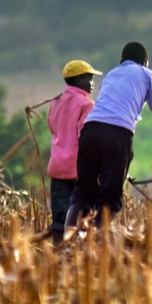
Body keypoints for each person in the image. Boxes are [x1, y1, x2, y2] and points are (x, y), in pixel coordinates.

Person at [64, 41, 152, 232]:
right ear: (145, 62)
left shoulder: (111, 75)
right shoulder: (147, 74)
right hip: (117, 133)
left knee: (82, 193)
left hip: (90, 130)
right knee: (109, 198)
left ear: (122, 61)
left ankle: (67, 241)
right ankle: (95, 241)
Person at [46, 59, 102, 244]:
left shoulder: (56, 102)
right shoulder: (87, 105)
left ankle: (57, 250)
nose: (93, 84)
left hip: (57, 166)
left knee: (59, 215)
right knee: (80, 215)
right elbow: (85, 137)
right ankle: (75, 255)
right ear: (79, 81)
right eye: (90, 78)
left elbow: (52, 126)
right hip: (77, 168)